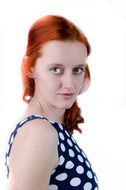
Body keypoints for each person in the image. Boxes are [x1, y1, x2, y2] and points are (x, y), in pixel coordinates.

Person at [5, 15, 99, 190]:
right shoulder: (39, 132)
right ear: (29, 68)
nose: (70, 84)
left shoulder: (52, 129)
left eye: (78, 70)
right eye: (56, 69)